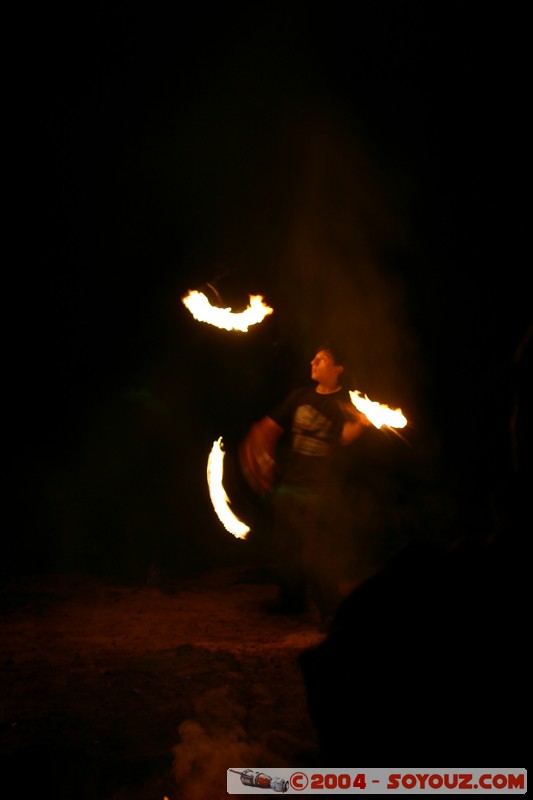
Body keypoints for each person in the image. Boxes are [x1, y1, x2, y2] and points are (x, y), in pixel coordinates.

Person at [239, 342, 371, 629]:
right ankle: (291, 601)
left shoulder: (344, 405)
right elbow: (271, 427)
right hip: (290, 486)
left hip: (320, 490)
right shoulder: (299, 397)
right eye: (314, 358)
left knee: (317, 550)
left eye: (322, 359)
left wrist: (362, 422)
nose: (313, 362)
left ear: (338, 369)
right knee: (286, 546)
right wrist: (258, 447)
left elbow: (345, 437)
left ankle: (331, 610)